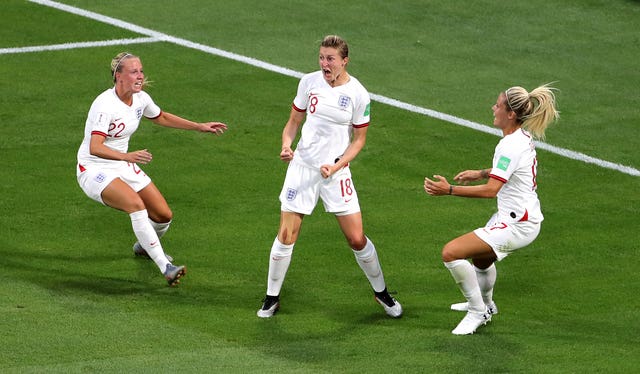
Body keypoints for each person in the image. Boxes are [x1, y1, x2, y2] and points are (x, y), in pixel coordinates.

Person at [256, 35, 403, 319]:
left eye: (330, 59)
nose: (325, 64)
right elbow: (293, 122)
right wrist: (287, 145)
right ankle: (271, 297)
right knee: (286, 235)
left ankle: (381, 292)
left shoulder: (359, 94)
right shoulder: (308, 83)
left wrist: (336, 166)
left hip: (336, 173)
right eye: (322, 57)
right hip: (303, 168)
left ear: (344, 60)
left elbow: (359, 140)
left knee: (356, 239)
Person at [76, 52, 227, 286]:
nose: (140, 76)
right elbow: (95, 147)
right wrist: (126, 156)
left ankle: (144, 247)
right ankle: (165, 267)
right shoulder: (104, 106)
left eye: (141, 71)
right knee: (136, 206)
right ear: (119, 76)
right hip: (94, 168)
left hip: (122, 163)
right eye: (134, 72)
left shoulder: (141, 98)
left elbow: (161, 117)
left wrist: (199, 126)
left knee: (163, 216)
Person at [424, 84, 559, 335]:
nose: (493, 108)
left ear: (510, 114)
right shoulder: (520, 138)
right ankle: (486, 304)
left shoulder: (509, 145)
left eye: (498, 105)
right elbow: (509, 170)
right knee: (482, 257)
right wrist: (481, 172)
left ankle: (477, 312)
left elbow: (490, 191)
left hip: (517, 224)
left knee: (451, 252)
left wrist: (449, 190)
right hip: (519, 216)